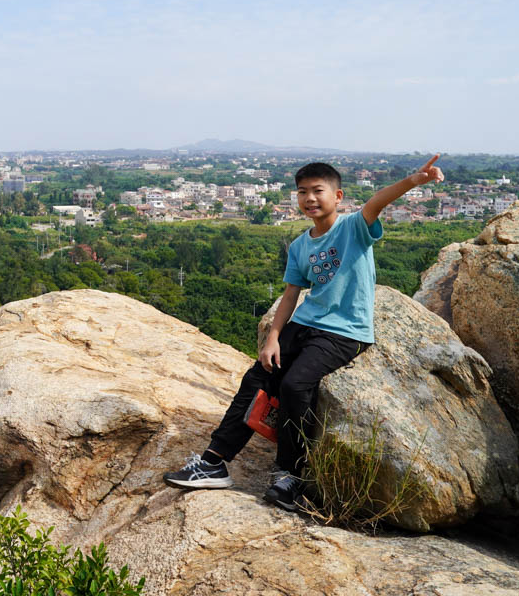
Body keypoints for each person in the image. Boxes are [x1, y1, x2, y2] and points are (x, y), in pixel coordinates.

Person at [162, 155, 445, 511]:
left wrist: (413, 181)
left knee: (296, 385)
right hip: (304, 325)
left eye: (318, 191)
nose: (310, 198)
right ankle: (214, 461)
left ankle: (291, 475)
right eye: (302, 192)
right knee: (257, 378)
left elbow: (377, 202)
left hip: (345, 331)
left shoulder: (353, 228)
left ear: (338, 196)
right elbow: (291, 294)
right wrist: (273, 337)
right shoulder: (299, 246)